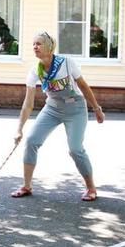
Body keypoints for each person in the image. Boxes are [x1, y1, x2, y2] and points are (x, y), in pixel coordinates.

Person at [11, 31, 104, 202]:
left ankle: (91, 188)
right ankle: (26, 186)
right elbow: (28, 104)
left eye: (38, 43)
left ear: (49, 46)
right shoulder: (35, 71)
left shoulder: (67, 63)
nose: (35, 47)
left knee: (75, 149)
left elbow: (83, 86)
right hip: (52, 108)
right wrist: (19, 129)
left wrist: (97, 108)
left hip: (75, 109)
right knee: (31, 141)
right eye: (33, 44)